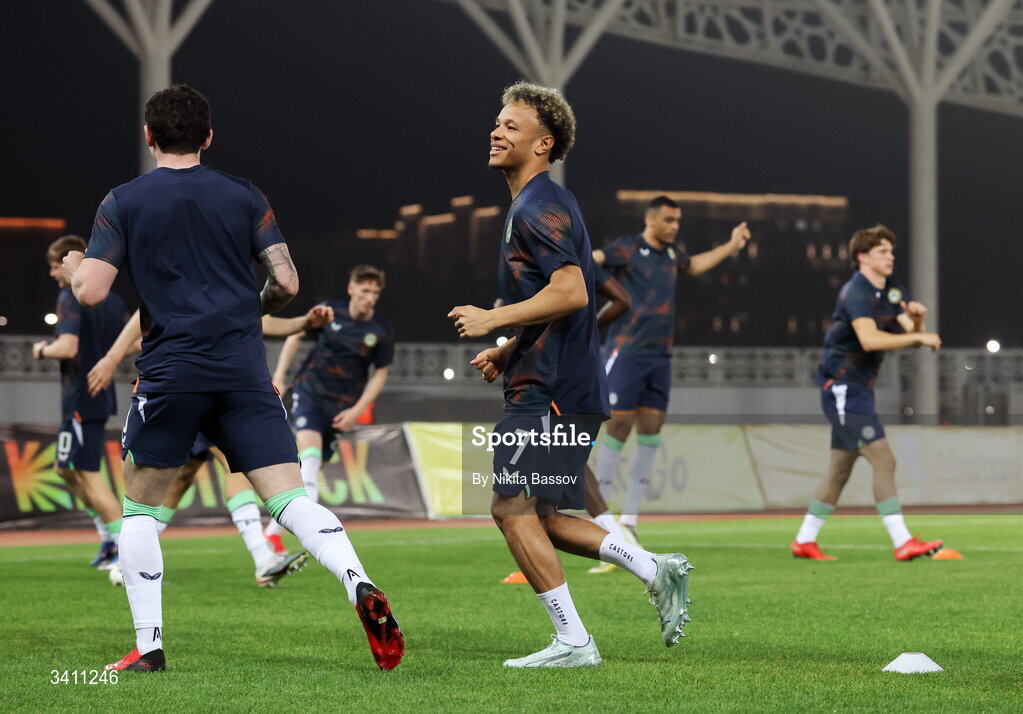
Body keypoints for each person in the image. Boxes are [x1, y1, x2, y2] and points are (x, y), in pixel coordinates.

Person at [62, 84, 403, 672]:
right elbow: (287, 284)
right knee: (290, 501)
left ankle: (149, 648)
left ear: (149, 137)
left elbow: (92, 291)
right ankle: (359, 582)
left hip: (171, 375)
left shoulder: (123, 201)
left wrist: (72, 271)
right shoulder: (245, 196)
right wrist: (253, 306)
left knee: (141, 511)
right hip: (244, 375)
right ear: (209, 137)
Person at [449, 81, 692, 668]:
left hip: (550, 389)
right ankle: (651, 568)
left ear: (543, 143)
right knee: (547, 517)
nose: (497, 130)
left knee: (510, 509)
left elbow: (573, 291)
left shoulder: (540, 205)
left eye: (511, 125)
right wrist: (509, 349)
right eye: (496, 121)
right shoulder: (532, 205)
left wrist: (493, 320)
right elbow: (558, 300)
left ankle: (574, 642)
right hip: (558, 379)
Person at [88, 306, 333, 584]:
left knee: (187, 478)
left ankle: (128, 563)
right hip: (185, 387)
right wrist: (113, 356)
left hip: (216, 385)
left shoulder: (224, 277)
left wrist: (304, 321)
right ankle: (261, 557)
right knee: (215, 468)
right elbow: (145, 309)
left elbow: (260, 318)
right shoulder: (181, 273)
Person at [591, 195, 751, 543]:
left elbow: (694, 266)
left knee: (651, 431)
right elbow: (592, 259)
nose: (675, 226)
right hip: (626, 351)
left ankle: (629, 521)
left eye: (678, 220)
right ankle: (600, 522)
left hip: (660, 357)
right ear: (650, 220)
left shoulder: (674, 254)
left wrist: (732, 245)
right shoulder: (628, 248)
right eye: (669, 220)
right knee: (618, 425)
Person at [791, 225, 943, 562]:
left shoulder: (891, 289)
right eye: (882, 252)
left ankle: (804, 540)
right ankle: (902, 541)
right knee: (884, 459)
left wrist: (918, 323)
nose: (891, 257)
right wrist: (919, 337)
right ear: (862, 257)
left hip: (860, 390)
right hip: (842, 388)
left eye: (891, 250)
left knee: (839, 472)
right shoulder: (855, 291)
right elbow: (870, 340)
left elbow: (909, 332)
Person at [263, 265, 394, 552]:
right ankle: (297, 538)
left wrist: (357, 410)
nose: (369, 297)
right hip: (309, 394)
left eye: (374, 292)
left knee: (307, 472)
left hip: (341, 409)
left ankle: (271, 533)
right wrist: (280, 376)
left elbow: (380, 374)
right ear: (351, 289)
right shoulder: (329, 312)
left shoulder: (380, 330)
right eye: (364, 290)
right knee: (309, 467)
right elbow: (296, 333)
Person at [32, 235, 128, 574]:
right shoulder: (113, 302)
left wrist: (42, 348)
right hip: (95, 397)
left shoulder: (69, 294)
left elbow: (68, 347)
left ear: (66, 262)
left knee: (88, 475)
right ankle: (108, 538)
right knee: (65, 469)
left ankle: (124, 551)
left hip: (80, 398)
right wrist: (109, 360)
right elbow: (137, 341)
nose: (52, 274)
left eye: (53, 266)